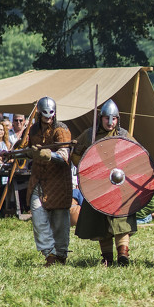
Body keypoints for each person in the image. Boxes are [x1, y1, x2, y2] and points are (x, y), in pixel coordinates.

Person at [70, 100, 138, 266]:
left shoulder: (123, 134)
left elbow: (136, 154)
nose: (110, 122)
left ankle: (123, 256)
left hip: (118, 185)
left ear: (117, 119)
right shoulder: (89, 135)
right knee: (100, 223)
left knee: (121, 221)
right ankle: (107, 258)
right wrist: (86, 163)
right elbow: (75, 154)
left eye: (113, 118)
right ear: (100, 118)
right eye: (106, 118)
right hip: (98, 186)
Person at [21, 96, 74, 265]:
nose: (48, 117)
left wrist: (47, 154)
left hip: (58, 182)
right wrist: (19, 153)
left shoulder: (61, 129)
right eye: (45, 114)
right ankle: (49, 254)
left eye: (51, 114)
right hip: (38, 179)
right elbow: (27, 149)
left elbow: (64, 156)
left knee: (59, 221)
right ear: (39, 114)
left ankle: (60, 254)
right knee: (37, 217)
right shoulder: (34, 129)